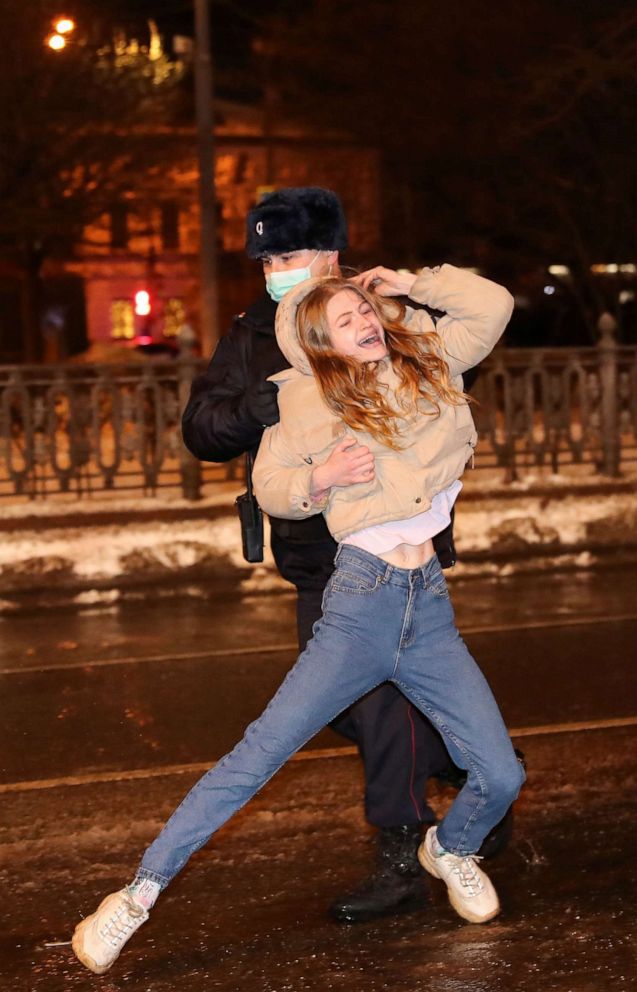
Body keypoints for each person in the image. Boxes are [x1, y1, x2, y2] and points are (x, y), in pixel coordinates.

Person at [72, 261, 525, 976]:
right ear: (318, 341)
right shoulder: (300, 398)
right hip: (360, 604)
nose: (366, 323)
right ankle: (134, 897)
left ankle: (449, 849)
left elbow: (491, 301)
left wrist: (410, 281)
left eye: (366, 311)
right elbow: (272, 488)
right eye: (346, 320)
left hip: (429, 604)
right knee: (255, 759)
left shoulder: (430, 360)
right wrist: (321, 479)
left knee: (498, 774)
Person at [180, 187, 512, 926]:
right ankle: (468, 770)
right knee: (351, 711)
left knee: (381, 703)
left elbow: (458, 356)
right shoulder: (253, 332)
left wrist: (410, 293)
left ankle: (402, 853)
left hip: (392, 544)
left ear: (329, 254)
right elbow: (201, 430)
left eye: (289, 256)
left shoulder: (377, 315)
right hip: (311, 551)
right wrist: (259, 410)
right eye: (266, 258)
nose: (275, 269)